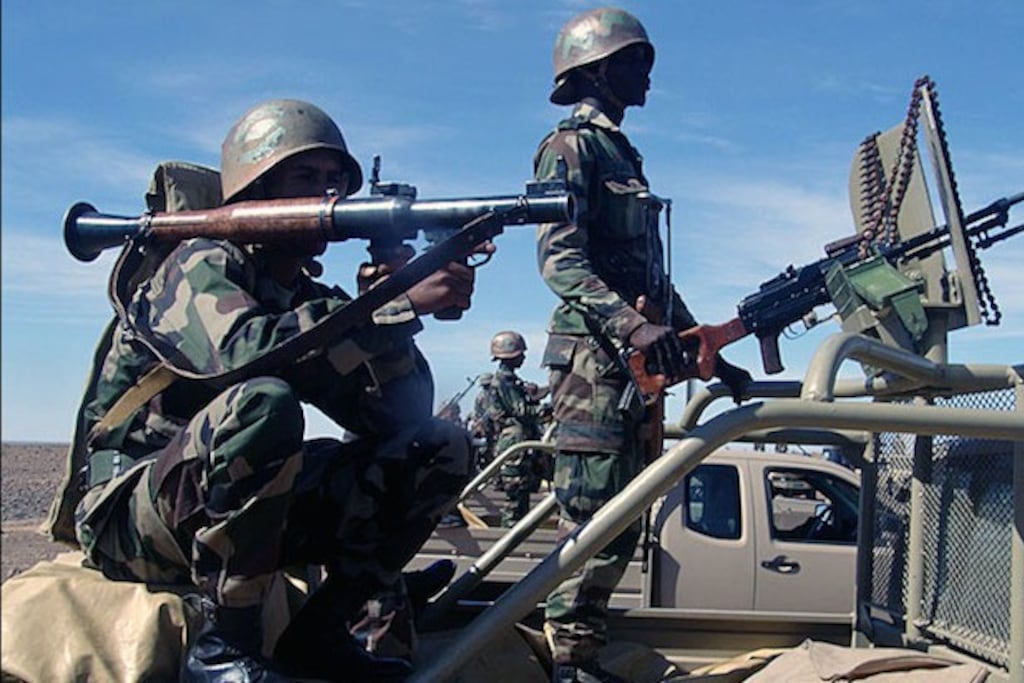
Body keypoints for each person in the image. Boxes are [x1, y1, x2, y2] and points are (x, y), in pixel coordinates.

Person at [47, 98, 482, 682]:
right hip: (131, 512)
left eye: (335, 182)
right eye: (306, 177)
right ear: (256, 187)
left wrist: (391, 309)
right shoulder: (197, 263)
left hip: (216, 501)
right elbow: (245, 359)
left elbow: (393, 417)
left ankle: (322, 634)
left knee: (439, 446)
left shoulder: (305, 294)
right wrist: (386, 309)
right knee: (262, 404)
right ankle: (223, 648)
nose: (327, 195)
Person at [532, 8, 753, 682]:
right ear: (595, 70)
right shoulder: (569, 148)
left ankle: (583, 657)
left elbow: (649, 278)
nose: (647, 76)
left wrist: (705, 348)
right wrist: (634, 327)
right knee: (594, 520)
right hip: (593, 369)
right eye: (635, 62)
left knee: (625, 517)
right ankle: (567, 662)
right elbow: (558, 260)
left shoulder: (623, 154)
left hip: (635, 368)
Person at [471, 330, 551, 527]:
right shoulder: (504, 381)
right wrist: (552, 408)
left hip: (517, 442)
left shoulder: (511, 381)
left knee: (520, 496)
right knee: (515, 499)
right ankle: (510, 538)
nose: (523, 357)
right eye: (520, 354)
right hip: (514, 443)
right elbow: (522, 411)